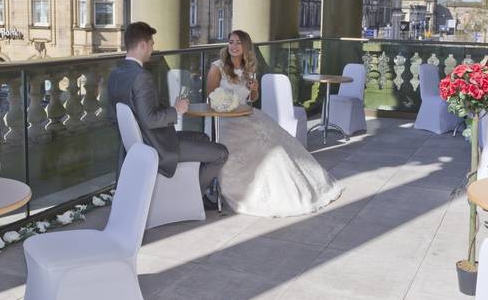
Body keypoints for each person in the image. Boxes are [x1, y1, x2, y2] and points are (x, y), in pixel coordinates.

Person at [206, 30, 342, 217]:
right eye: (231, 42)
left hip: (248, 114)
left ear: (246, 46)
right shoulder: (217, 67)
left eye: (238, 43)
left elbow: (253, 98)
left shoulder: (249, 68)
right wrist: (227, 107)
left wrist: (254, 90)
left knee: (279, 142)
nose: (234, 46)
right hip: (225, 122)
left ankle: (295, 189)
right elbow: (210, 98)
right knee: (267, 150)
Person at [109, 21, 227, 208]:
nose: (153, 48)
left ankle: (195, 192)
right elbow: (149, 119)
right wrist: (176, 110)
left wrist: (171, 109)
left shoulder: (117, 73)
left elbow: (132, 115)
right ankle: (191, 199)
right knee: (221, 153)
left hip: (141, 145)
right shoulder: (141, 76)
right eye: (152, 44)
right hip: (159, 147)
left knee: (203, 137)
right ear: (142, 45)